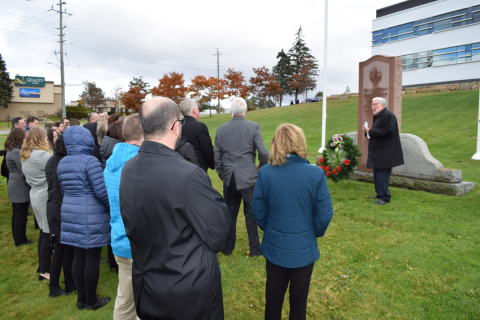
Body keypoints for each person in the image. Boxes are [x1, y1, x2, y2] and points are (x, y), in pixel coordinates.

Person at [119, 97, 231, 320]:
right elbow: (220, 234)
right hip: (187, 294)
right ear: (175, 126)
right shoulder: (188, 174)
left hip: (148, 285)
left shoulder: (128, 169)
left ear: (142, 127)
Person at [252, 124, 333, 320]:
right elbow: (324, 214)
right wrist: (312, 232)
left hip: (277, 247)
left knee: (273, 298)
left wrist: (270, 229)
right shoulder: (315, 174)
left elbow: (259, 210)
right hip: (302, 248)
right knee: (299, 302)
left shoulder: (266, 173)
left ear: (276, 143)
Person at [57, 126, 111, 310]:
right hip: (90, 214)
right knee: (92, 257)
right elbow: (101, 191)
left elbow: (64, 190)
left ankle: (81, 299)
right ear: (86, 140)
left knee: (78, 256)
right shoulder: (91, 162)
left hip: (71, 212)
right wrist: (111, 208)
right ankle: (91, 300)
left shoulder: (62, 162)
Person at [214, 97, 269, 257]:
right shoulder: (253, 127)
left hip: (230, 177)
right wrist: (262, 168)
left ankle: (228, 247)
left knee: (229, 213)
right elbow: (264, 153)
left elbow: (217, 157)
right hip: (249, 177)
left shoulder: (221, 129)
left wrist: (222, 174)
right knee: (251, 213)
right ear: (245, 111)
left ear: (231, 112)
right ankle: (255, 249)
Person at [104, 114, 143, 320]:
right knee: (134, 300)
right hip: (135, 242)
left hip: (119, 237)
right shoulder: (138, 163)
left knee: (127, 296)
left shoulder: (112, 160)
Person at [21, 128, 53, 281]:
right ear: (41, 138)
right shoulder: (42, 155)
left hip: (35, 194)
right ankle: (45, 271)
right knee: (47, 233)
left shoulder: (27, 155)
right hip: (44, 195)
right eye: (46, 137)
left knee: (43, 232)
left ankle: (42, 266)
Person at [46, 135, 74, 298]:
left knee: (65, 247)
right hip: (58, 207)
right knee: (60, 248)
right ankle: (54, 287)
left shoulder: (52, 160)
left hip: (55, 205)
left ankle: (69, 282)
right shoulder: (60, 163)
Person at [363, 97, 404, 205]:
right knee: (377, 174)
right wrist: (368, 132)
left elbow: (388, 131)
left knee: (382, 175)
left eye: (374, 104)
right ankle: (380, 194)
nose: (372, 106)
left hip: (386, 152)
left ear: (382, 104)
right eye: (372, 104)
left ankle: (385, 197)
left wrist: (371, 131)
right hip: (379, 152)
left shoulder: (388, 115)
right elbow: (378, 132)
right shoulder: (379, 116)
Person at [5, 128, 31, 246]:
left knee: (17, 213)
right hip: (19, 186)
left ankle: (19, 238)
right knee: (20, 215)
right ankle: (21, 240)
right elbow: (22, 170)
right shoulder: (15, 152)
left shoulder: (11, 149)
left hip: (15, 185)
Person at [179, 99, 215, 172]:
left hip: (180, 166)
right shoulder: (199, 126)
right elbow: (207, 150)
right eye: (198, 109)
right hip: (197, 168)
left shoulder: (177, 125)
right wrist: (212, 164)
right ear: (194, 110)